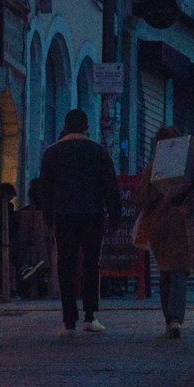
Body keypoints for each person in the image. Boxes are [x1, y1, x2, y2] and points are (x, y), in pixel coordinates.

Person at [38, 108, 121, 337]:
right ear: (86, 127)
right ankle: (90, 315)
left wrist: (47, 216)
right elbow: (110, 187)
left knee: (66, 264)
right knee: (91, 264)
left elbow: (45, 188)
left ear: (65, 126)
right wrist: (114, 216)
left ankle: (69, 319)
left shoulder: (52, 153)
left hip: (64, 215)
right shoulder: (98, 152)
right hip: (92, 213)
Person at [133, 126, 194, 338]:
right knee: (178, 271)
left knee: (166, 272)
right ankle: (175, 318)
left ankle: (170, 317)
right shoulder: (188, 167)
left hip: (158, 225)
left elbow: (142, 199)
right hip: (181, 223)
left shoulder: (152, 169)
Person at [16, 177, 52, 297]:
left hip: (25, 251)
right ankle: (44, 272)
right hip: (45, 252)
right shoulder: (49, 214)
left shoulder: (23, 214)